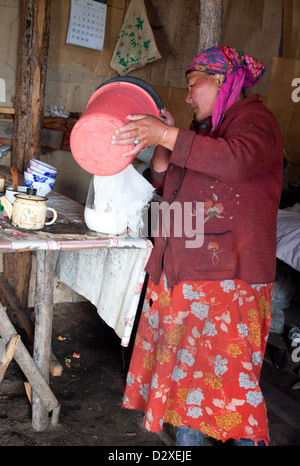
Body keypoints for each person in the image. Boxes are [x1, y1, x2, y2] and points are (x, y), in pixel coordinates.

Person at [111, 46, 283, 446]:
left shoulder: (257, 121)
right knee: (186, 389)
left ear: (221, 81)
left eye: (192, 86)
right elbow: (163, 186)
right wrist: (162, 143)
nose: (188, 96)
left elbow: (237, 161)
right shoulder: (203, 132)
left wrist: (168, 133)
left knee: (231, 395)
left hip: (229, 283)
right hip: (186, 275)